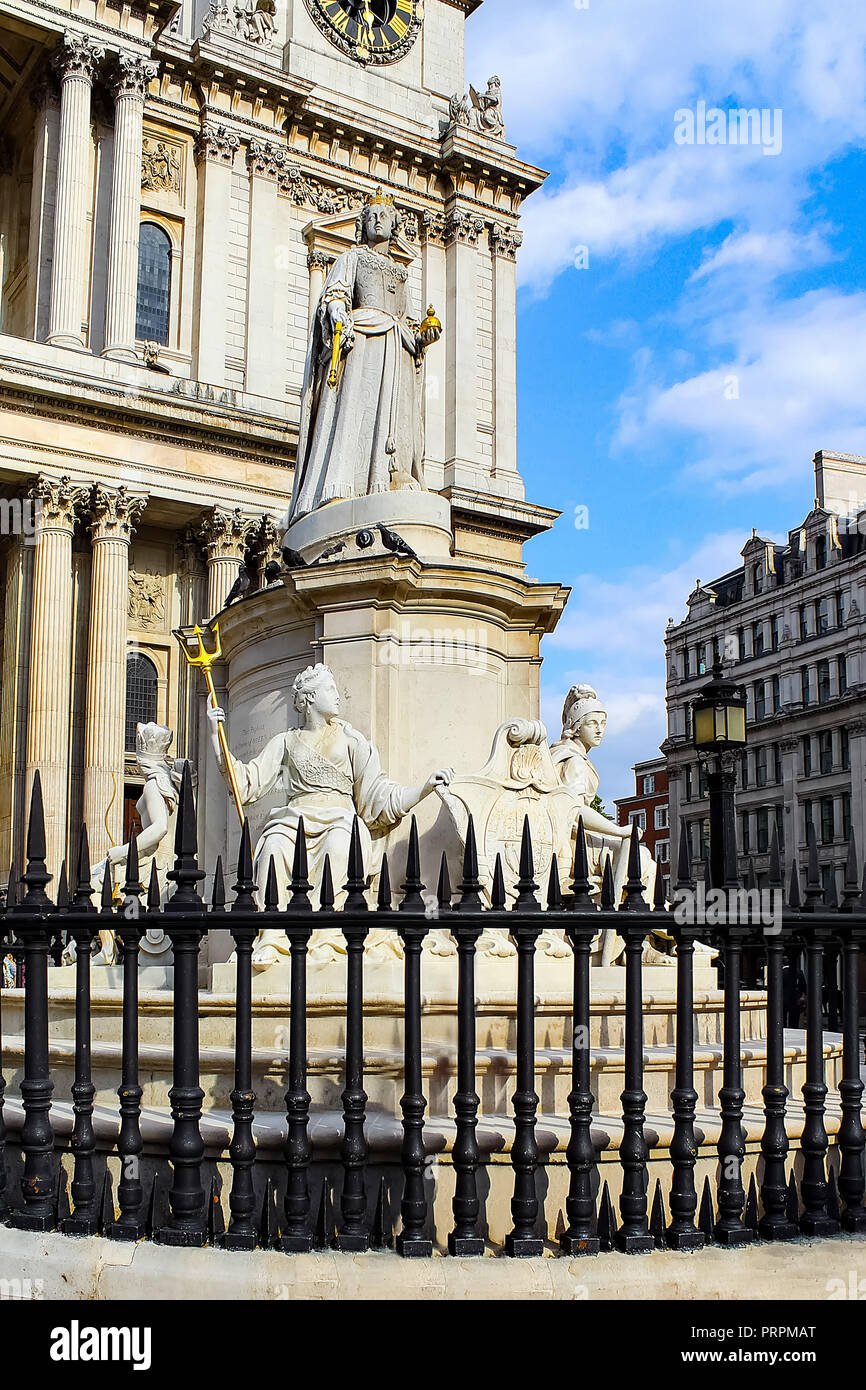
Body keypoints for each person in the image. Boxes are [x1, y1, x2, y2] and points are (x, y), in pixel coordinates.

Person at [208, 663, 454, 966]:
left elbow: (377, 795)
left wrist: (423, 789)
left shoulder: (351, 740)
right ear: (310, 698)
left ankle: (326, 935)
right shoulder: (285, 741)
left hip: (339, 820)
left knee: (340, 845)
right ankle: (271, 936)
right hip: (293, 820)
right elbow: (247, 783)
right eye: (330, 689)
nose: (338, 696)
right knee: (272, 847)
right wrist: (218, 740)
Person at [288, 192, 441, 523]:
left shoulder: (400, 274)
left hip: (397, 345)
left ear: (394, 225)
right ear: (363, 224)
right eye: (371, 216)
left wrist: (422, 338)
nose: (377, 221)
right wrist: (338, 312)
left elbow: (409, 318)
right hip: (364, 340)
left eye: (384, 216)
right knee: (356, 407)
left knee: (397, 415)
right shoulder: (352, 258)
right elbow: (335, 293)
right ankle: (339, 483)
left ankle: (392, 474)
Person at [782, 958, 807, 1028]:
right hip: (796, 998)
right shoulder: (799, 972)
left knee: (782, 1018)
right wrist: (803, 996)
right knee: (794, 1020)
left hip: (782, 999)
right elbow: (803, 986)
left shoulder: (780, 972)